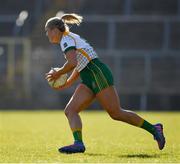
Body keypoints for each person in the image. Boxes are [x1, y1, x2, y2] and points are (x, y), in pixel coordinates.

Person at [45, 13, 165, 154]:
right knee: (70, 110)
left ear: (54, 30)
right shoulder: (67, 39)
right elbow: (78, 65)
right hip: (89, 75)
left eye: (47, 31)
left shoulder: (66, 39)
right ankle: (78, 143)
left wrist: (58, 73)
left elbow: (73, 63)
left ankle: (154, 129)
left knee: (116, 113)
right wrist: (67, 83)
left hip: (97, 72)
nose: (47, 34)